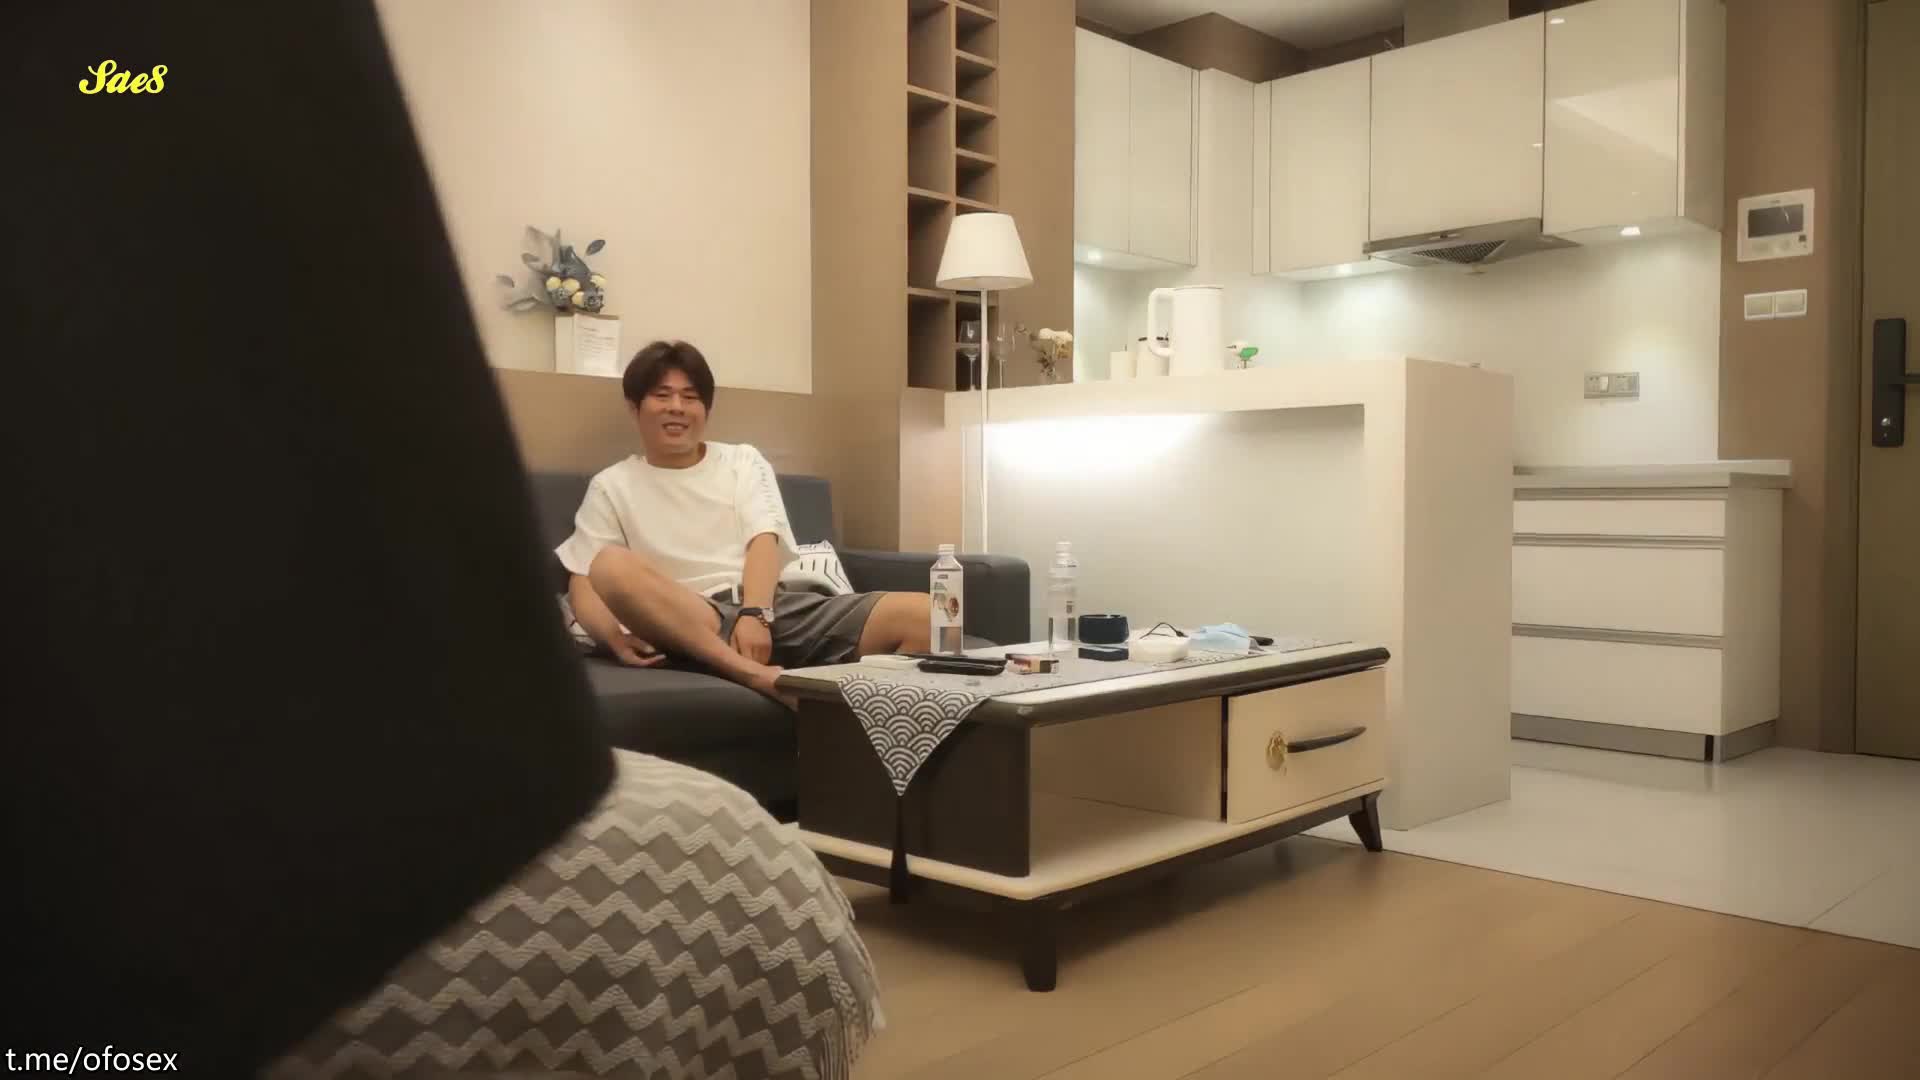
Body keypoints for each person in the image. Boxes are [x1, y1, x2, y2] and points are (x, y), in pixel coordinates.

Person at [558, 340, 934, 702]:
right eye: (662, 395)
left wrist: (756, 614)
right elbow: (583, 581)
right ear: (634, 407)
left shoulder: (742, 461)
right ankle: (753, 675)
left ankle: (850, 716)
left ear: (706, 409)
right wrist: (613, 639)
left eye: (690, 397)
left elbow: (763, 540)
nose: (677, 407)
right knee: (609, 566)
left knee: (925, 616)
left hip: (773, 608)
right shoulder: (612, 485)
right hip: (690, 620)